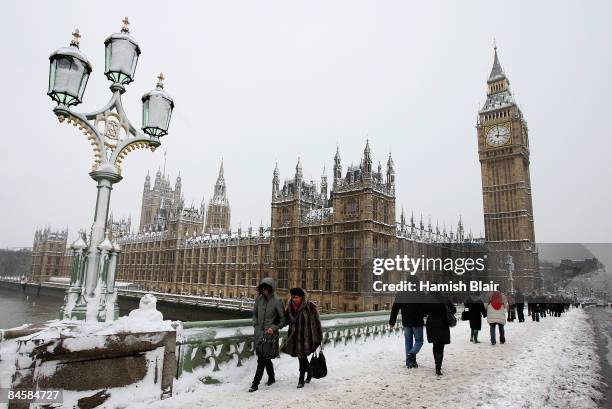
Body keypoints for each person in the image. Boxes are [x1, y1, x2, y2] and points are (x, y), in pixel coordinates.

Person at [281, 287, 323, 388]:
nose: (294, 299)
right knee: (302, 358)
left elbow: (316, 323)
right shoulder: (290, 306)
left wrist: (318, 338)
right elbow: (286, 320)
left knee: (302, 358)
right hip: (295, 337)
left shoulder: (310, 306)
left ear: (301, 297)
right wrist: (274, 326)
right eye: (293, 297)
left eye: (296, 297)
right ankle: (309, 372)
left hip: (306, 338)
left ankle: (301, 379)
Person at [249, 277, 285, 392]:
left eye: (267, 288)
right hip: (259, 334)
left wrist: (273, 328)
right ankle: (272, 377)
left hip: (269, 335)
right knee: (265, 357)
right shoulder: (259, 299)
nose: (265, 290)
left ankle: (255, 383)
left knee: (261, 359)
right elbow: (254, 314)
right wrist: (255, 323)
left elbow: (283, 320)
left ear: (271, 288)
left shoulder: (277, 301)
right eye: (263, 288)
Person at [389, 289, 426, 368]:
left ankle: (409, 363)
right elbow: (425, 307)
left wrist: (392, 321)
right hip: (417, 322)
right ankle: (412, 353)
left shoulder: (401, 293)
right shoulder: (420, 292)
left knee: (408, 342)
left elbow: (395, 308)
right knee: (419, 341)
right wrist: (423, 314)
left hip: (406, 322)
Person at [424, 291, 456, 376]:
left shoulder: (427, 299)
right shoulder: (444, 297)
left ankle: (437, 362)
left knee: (435, 344)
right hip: (443, 323)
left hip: (431, 324)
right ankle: (438, 365)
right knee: (441, 345)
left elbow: (423, 312)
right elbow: (454, 310)